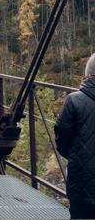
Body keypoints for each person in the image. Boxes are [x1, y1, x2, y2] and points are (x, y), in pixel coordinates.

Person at [55, 53, 95, 219]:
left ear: (87, 75)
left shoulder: (74, 101)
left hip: (81, 181)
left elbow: (62, 140)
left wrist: (76, 156)